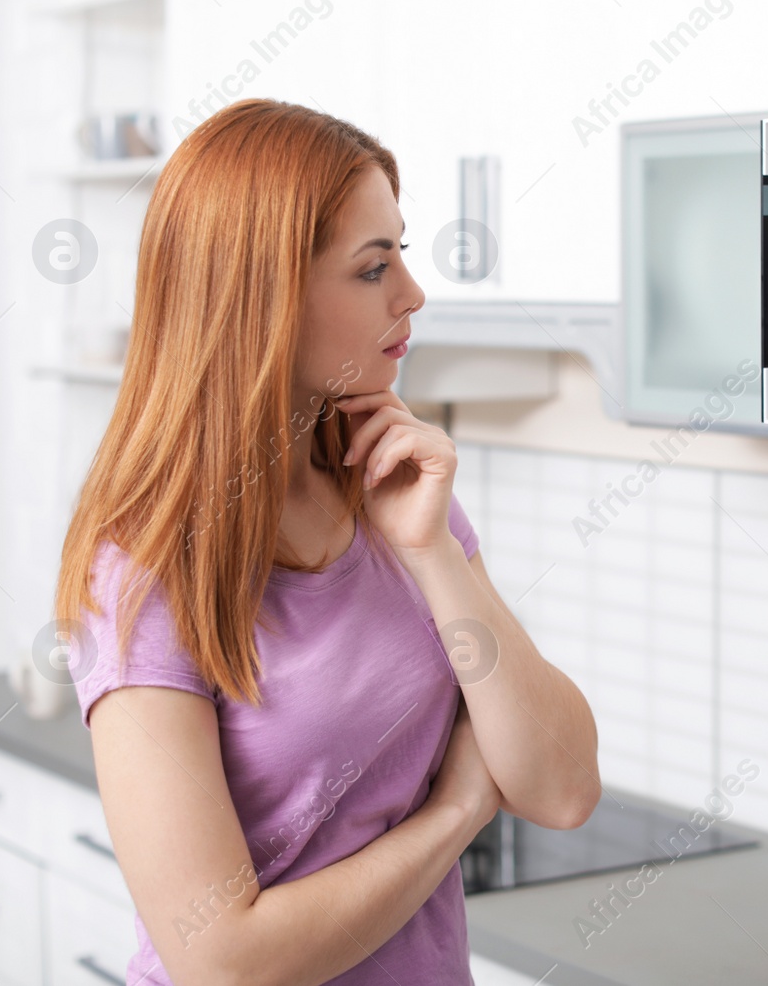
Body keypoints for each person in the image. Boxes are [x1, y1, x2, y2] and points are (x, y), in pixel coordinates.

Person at [58, 99, 600, 986]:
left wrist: (430, 551)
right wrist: (460, 809)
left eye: (403, 254)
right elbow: (223, 962)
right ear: (263, 296)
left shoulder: (392, 490)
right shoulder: (146, 575)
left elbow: (564, 784)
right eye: (372, 266)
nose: (412, 294)